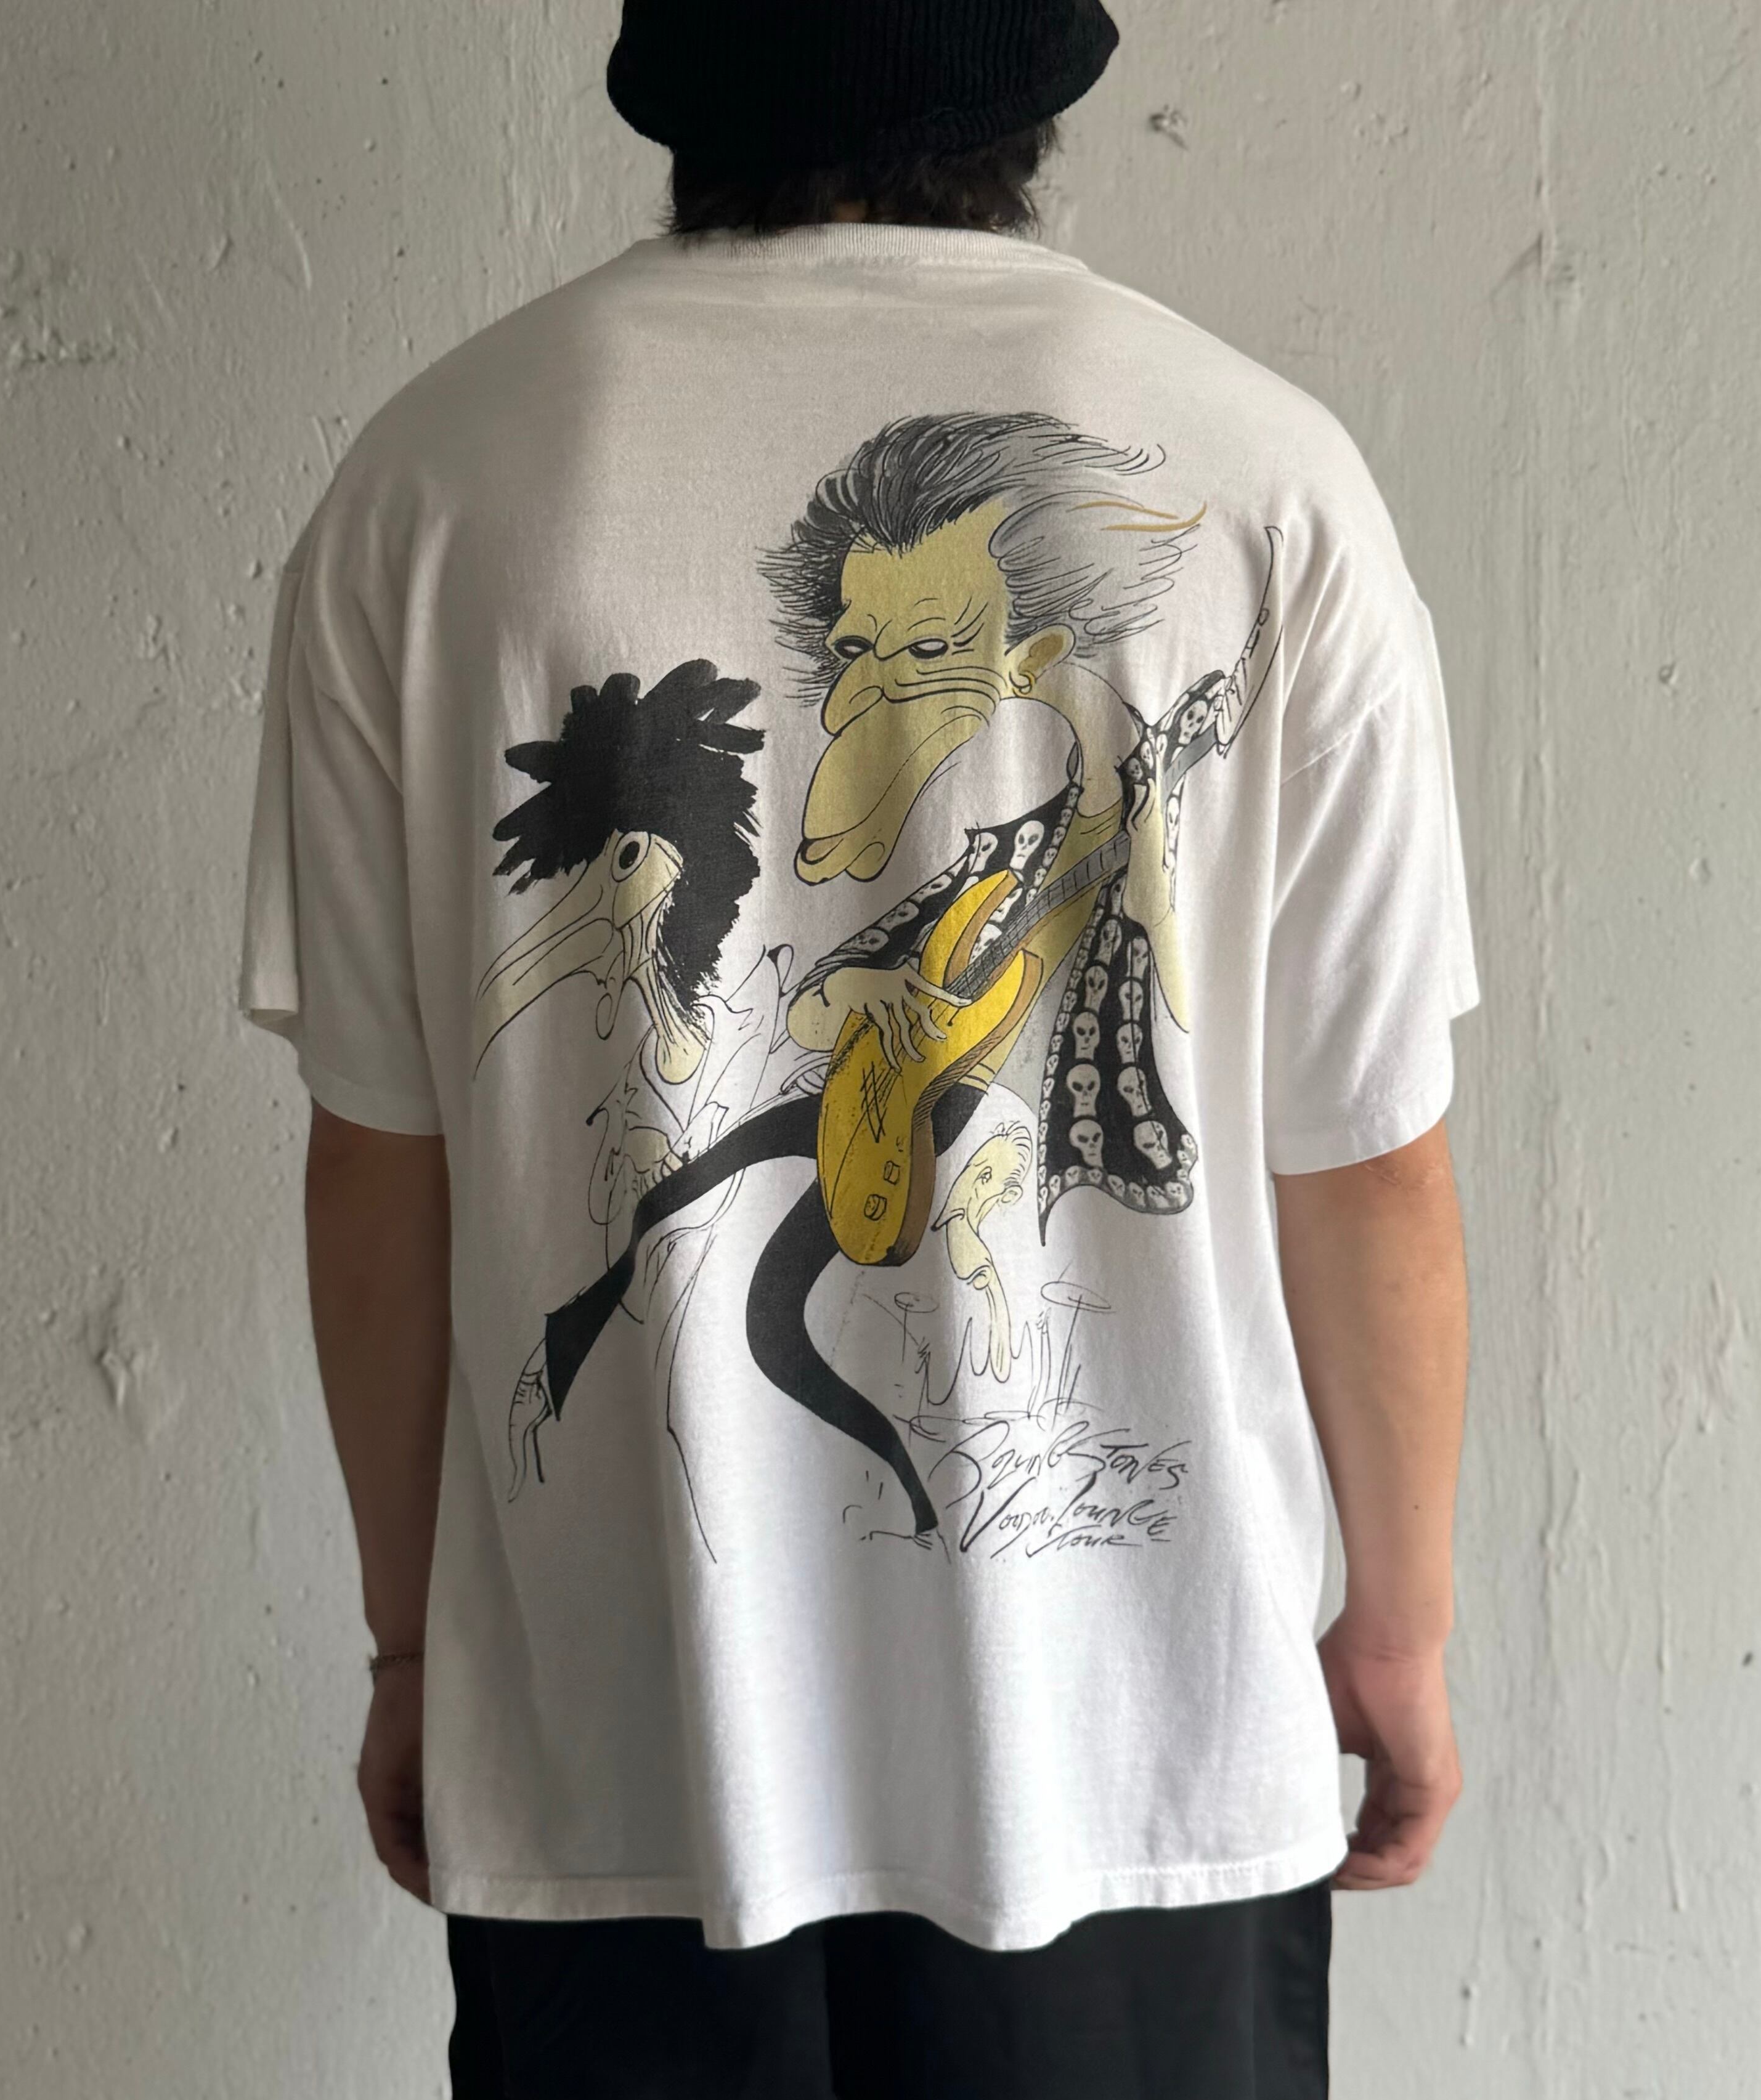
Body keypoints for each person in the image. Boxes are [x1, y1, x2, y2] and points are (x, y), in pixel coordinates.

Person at [237, 2, 1479, 2093]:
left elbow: (380, 1155)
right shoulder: (1274, 477)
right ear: (1038, 77)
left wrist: (413, 1638)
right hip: (1136, 1755)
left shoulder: (434, 483)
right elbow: (1365, 1158)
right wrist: (1400, 1630)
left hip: (619, 1756)